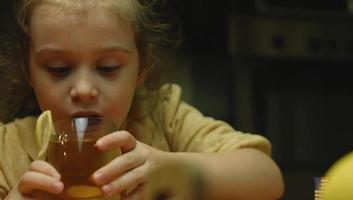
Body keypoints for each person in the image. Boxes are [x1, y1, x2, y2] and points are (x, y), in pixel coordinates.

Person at [0, 0, 284, 199]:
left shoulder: (162, 117)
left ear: (142, 66)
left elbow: (267, 179)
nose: (84, 89)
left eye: (107, 67)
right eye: (59, 69)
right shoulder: (5, 149)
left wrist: (173, 171)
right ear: (28, 70)